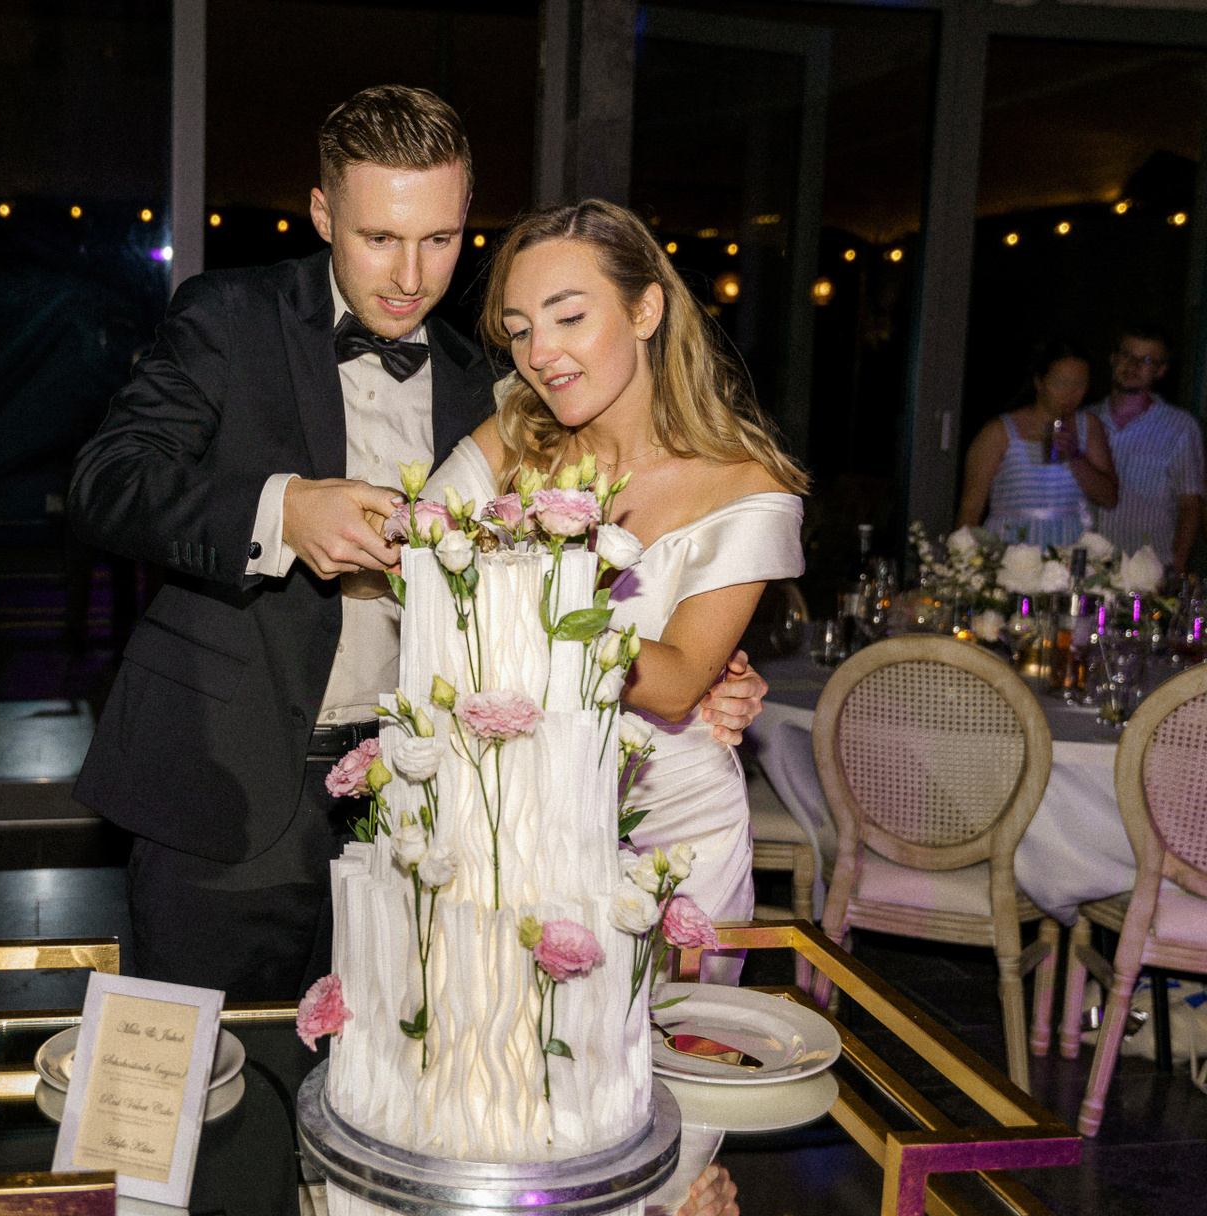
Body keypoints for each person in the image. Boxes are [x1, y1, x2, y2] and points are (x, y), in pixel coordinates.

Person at [68, 88, 769, 1001]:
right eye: (379, 238)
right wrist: (282, 510)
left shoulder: (500, 386)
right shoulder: (231, 317)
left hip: (426, 801)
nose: (410, 275)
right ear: (323, 213)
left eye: (439, 239)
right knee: (208, 1059)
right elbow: (108, 482)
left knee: (381, 1067)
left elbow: (568, 556)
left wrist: (700, 665)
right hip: (227, 783)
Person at [425, 198, 807, 943]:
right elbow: (411, 557)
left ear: (645, 310)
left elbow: (675, 682)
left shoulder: (746, 486)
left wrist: (503, 598)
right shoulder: (513, 437)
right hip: (514, 813)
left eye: (569, 317)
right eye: (520, 330)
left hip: (675, 831)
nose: (539, 353)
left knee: (672, 1022)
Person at [956, 339, 1117, 545]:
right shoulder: (1000, 431)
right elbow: (971, 508)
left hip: (1069, 545)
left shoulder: (1089, 426)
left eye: (1079, 384)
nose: (1069, 394)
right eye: (1060, 384)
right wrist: (964, 557)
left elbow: (1109, 498)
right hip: (1012, 547)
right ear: (1039, 382)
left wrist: (1076, 456)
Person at [1087, 326, 1203, 570]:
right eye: (1127, 355)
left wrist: (1178, 565)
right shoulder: (1084, 420)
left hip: (1147, 570)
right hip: (1086, 565)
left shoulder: (1179, 427)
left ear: (1161, 370)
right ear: (1113, 358)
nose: (1134, 365)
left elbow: (1190, 504)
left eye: (1146, 360)